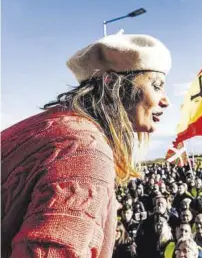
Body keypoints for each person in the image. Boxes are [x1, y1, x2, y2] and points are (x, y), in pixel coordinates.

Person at [1, 32, 171, 257]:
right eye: (157, 86)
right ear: (112, 83)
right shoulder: (85, 149)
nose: (166, 100)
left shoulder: (50, 125)